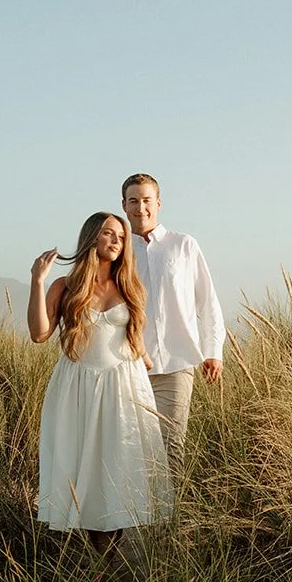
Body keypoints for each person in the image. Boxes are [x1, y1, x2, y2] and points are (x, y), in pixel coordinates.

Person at [28, 211, 171, 548]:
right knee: (85, 471)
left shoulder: (129, 285)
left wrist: (154, 370)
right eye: (109, 233)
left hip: (124, 385)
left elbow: (136, 342)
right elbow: (39, 334)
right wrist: (37, 281)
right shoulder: (67, 286)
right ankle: (102, 569)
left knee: (119, 467)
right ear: (92, 237)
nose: (116, 241)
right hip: (78, 386)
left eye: (121, 237)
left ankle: (109, 564)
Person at [120, 172, 225, 476]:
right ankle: (138, 520)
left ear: (159, 203)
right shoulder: (119, 251)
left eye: (146, 200)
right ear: (124, 206)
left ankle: (169, 520)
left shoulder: (183, 245)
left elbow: (207, 301)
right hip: (130, 365)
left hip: (177, 365)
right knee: (133, 447)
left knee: (171, 447)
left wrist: (213, 350)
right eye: (133, 201)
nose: (141, 208)